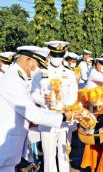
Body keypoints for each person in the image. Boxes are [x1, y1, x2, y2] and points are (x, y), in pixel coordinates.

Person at [0, 45, 77, 172]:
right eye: (38, 65)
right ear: (28, 61)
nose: (39, 70)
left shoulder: (17, 77)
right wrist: (63, 116)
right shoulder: (14, 80)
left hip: (4, 153)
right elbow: (32, 113)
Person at [31, 41, 78, 172]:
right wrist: (43, 100)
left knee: (63, 154)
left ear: (63, 55)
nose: (57, 58)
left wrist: (64, 104)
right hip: (47, 118)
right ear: (50, 54)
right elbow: (33, 93)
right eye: (54, 55)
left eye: (60, 55)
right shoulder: (40, 73)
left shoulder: (69, 73)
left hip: (64, 119)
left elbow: (73, 94)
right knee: (48, 155)